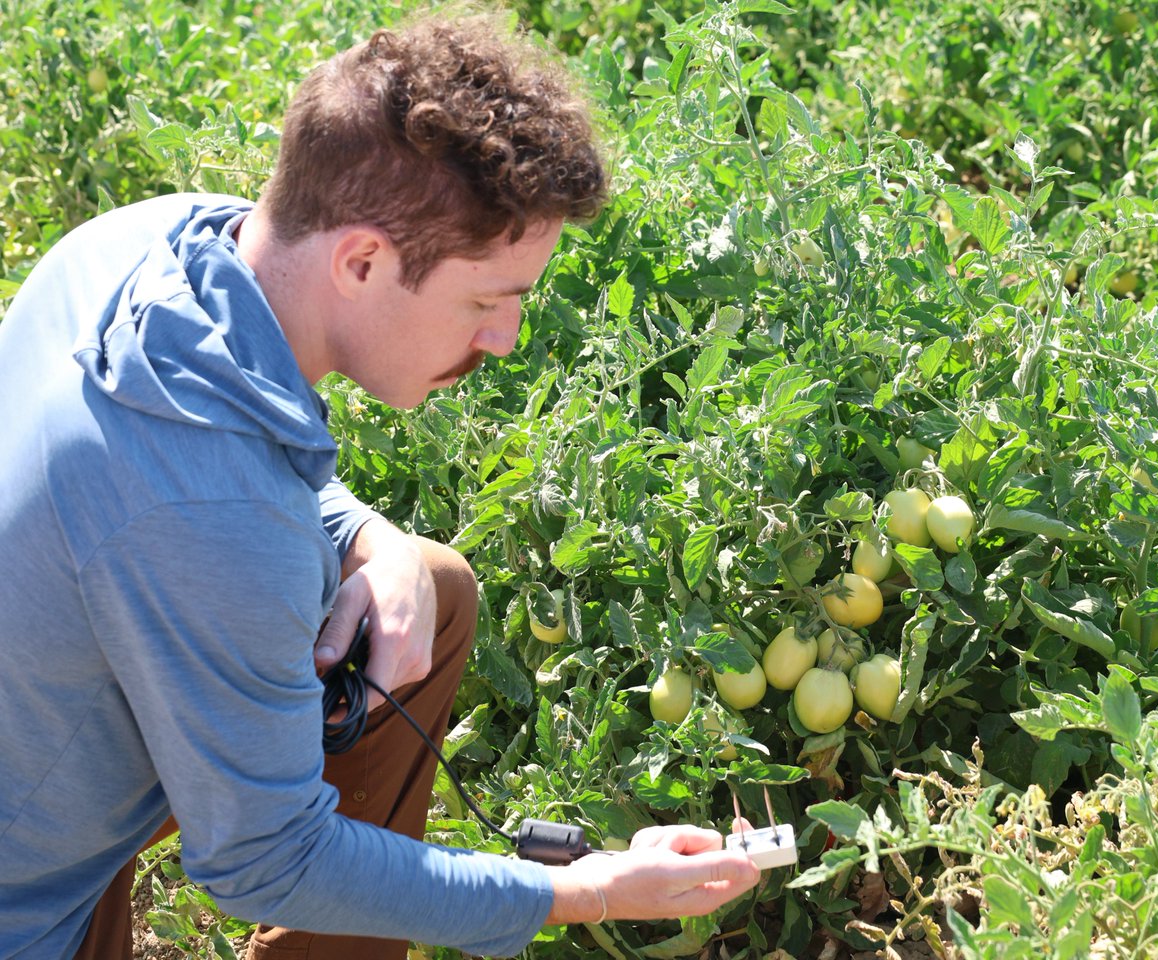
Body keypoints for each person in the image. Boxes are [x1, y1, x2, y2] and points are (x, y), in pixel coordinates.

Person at [0, 12, 761, 960]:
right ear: (361, 260)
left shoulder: (144, 244)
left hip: (44, 740)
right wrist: (583, 890)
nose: (504, 341)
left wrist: (370, 539)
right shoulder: (218, 528)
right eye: (488, 301)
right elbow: (265, 861)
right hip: (29, 907)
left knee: (429, 588)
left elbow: (198, 482)